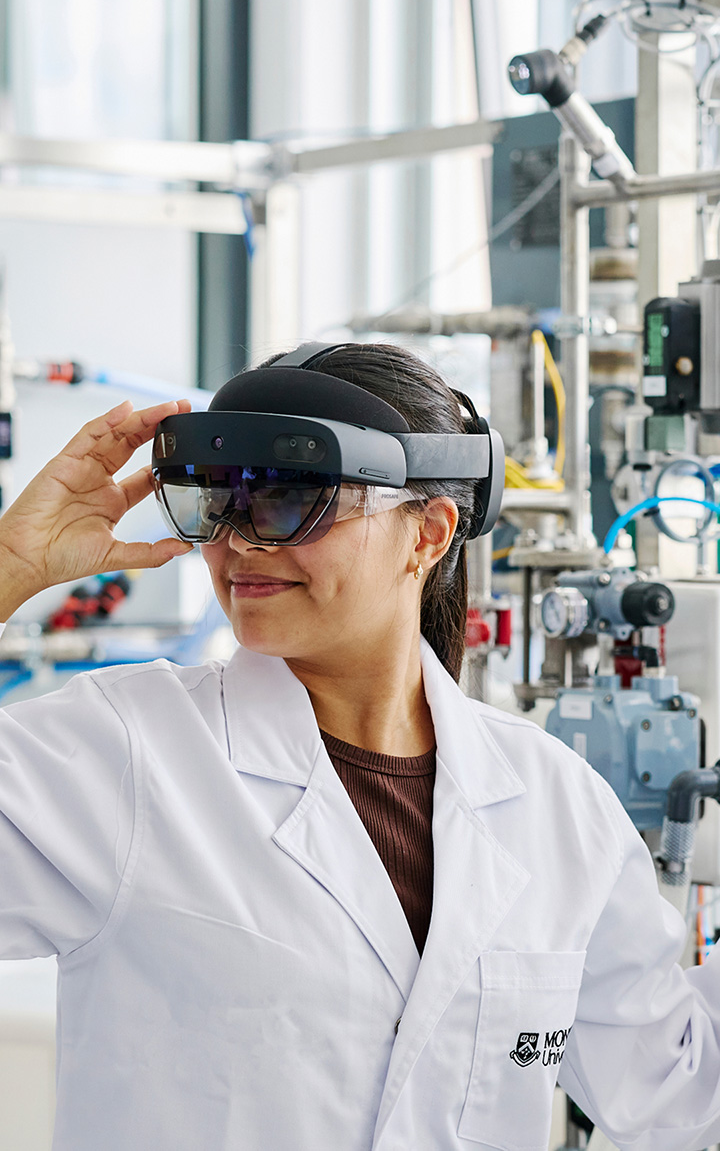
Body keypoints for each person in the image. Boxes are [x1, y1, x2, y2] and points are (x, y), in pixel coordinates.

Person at [1, 340, 720, 1151]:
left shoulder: (557, 807)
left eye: (286, 499)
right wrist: (10, 564)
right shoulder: (126, 753)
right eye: (218, 502)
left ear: (428, 534)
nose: (238, 542)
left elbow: (681, 1097)